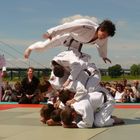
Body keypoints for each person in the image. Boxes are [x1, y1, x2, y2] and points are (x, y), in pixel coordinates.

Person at [24, 18, 116, 63]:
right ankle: (30, 48)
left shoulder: (103, 38)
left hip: (76, 44)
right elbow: (68, 26)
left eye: (106, 36)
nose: (103, 38)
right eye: (103, 35)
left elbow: (102, 46)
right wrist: (51, 32)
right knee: (42, 48)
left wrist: (103, 56)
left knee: (75, 61)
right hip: (65, 36)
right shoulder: (87, 26)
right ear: (101, 29)